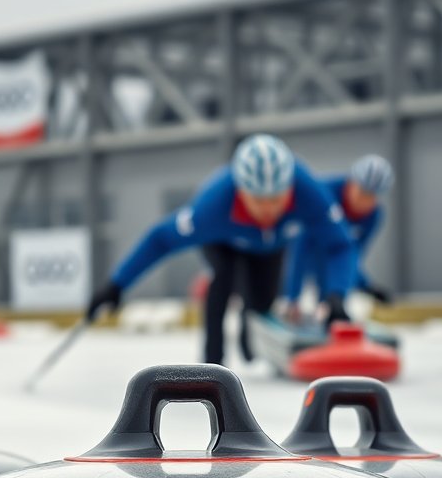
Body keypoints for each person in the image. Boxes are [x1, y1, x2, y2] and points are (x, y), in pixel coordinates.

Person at [85, 134, 358, 366]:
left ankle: (246, 316)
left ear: (290, 188)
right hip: (223, 242)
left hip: (270, 245)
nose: (268, 210)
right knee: (223, 279)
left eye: (276, 199)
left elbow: (340, 245)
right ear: (241, 191)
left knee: (262, 303)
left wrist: (337, 295)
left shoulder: (309, 191)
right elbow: (160, 240)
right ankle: (212, 360)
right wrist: (117, 284)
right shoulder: (212, 206)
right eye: (257, 200)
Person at [283, 154, 396, 323]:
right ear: (351, 183)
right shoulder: (323, 194)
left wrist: (366, 286)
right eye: (361, 192)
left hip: (332, 257)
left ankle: (326, 308)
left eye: (371, 197)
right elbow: (301, 245)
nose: (363, 202)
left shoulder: (373, 216)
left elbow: (352, 255)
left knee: (333, 302)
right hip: (299, 251)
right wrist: (292, 298)